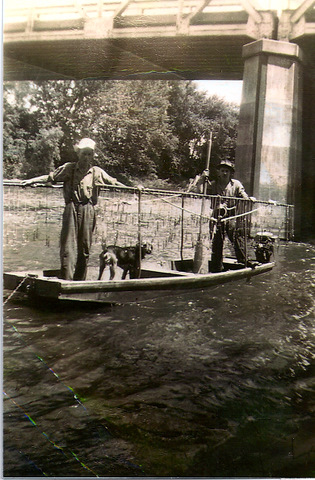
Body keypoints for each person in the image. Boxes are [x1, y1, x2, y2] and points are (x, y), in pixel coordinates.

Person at [22, 138, 127, 281]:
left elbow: (115, 183)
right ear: (78, 154)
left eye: (90, 154)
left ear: (93, 155)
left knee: (84, 249)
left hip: (88, 210)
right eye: (84, 154)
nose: (87, 157)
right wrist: (32, 180)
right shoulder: (69, 168)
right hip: (71, 207)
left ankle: (79, 282)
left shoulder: (96, 172)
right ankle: (66, 281)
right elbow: (50, 177)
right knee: (68, 249)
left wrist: (135, 189)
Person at [188, 159, 255, 272]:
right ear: (219, 172)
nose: (224, 173)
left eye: (227, 171)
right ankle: (216, 267)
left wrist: (249, 199)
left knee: (236, 238)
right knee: (217, 242)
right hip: (216, 216)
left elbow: (243, 195)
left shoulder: (236, 184)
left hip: (230, 216)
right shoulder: (213, 185)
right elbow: (201, 192)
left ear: (230, 173)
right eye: (222, 171)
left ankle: (245, 261)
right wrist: (202, 179)